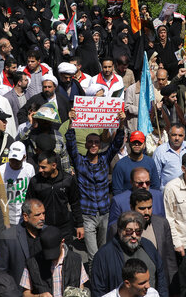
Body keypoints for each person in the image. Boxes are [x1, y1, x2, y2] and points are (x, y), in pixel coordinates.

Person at [66, 109, 126, 264]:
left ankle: (104, 282)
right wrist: (72, 122)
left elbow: (117, 142)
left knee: (105, 252)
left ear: (100, 145)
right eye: (90, 142)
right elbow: (70, 143)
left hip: (105, 213)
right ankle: (95, 286)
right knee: (93, 256)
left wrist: (122, 123)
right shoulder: (80, 162)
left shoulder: (105, 159)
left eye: (96, 142)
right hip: (88, 215)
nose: (93, 145)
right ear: (86, 144)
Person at [91, 211, 169, 297]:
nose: (134, 235)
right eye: (129, 231)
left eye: (138, 231)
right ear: (119, 230)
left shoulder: (148, 246)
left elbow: (161, 278)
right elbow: (98, 289)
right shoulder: (103, 255)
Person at [26, 152, 84, 242]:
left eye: (43, 167)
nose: (40, 170)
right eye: (39, 166)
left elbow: (75, 203)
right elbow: (29, 204)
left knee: (65, 254)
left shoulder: (68, 180)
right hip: (43, 227)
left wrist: (80, 225)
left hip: (64, 227)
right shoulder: (35, 182)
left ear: (54, 165)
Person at [20, 226, 88, 297]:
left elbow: (80, 287)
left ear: (62, 242)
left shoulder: (75, 260)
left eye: (54, 252)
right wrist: (39, 296)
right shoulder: (32, 263)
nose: (51, 258)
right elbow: (26, 293)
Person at [0, 198, 46, 286]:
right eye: (38, 215)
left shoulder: (49, 233)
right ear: (25, 217)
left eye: (43, 213)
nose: (42, 218)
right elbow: (2, 270)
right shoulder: (9, 237)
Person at [0, 141, 35, 226]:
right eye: (12, 160)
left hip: (25, 217)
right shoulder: (0, 171)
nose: (14, 163)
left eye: (17, 161)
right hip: (7, 218)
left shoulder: (29, 169)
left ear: (24, 157)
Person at [112, 131, 160, 195]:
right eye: (134, 142)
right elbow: (117, 191)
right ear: (129, 144)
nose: (137, 144)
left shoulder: (150, 162)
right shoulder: (120, 165)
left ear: (144, 145)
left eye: (139, 142)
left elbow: (155, 187)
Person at [153, 124, 186, 190]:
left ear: (184, 136)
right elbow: (156, 176)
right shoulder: (160, 151)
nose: (177, 138)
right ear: (169, 135)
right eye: (174, 135)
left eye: (180, 135)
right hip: (168, 193)